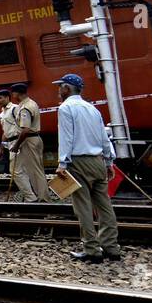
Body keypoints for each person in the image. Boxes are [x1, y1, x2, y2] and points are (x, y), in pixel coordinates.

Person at [54, 73, 121, 262]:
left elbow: (66, 137)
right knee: (104, 206)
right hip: (98, 160)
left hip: (78, 161)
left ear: (66, 88)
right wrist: (109, 162)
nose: (58, 90)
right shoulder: (92, 109)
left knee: (82, 206)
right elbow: (103, 137)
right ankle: (111, 247)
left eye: (60, 86)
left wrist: (62, 163)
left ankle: (92, 249)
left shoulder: (65, 108)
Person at [8, 82, 50, 203]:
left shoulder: (25, 107)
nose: (13, 95)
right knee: (36, 170)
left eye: (13, 93)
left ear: (17, 93)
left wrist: (16, 145)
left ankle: (43, 199)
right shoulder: (31, 103)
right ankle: (41, 196)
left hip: (30, 140)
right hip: (34, 138)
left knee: (35, 171)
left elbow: (25, 129)